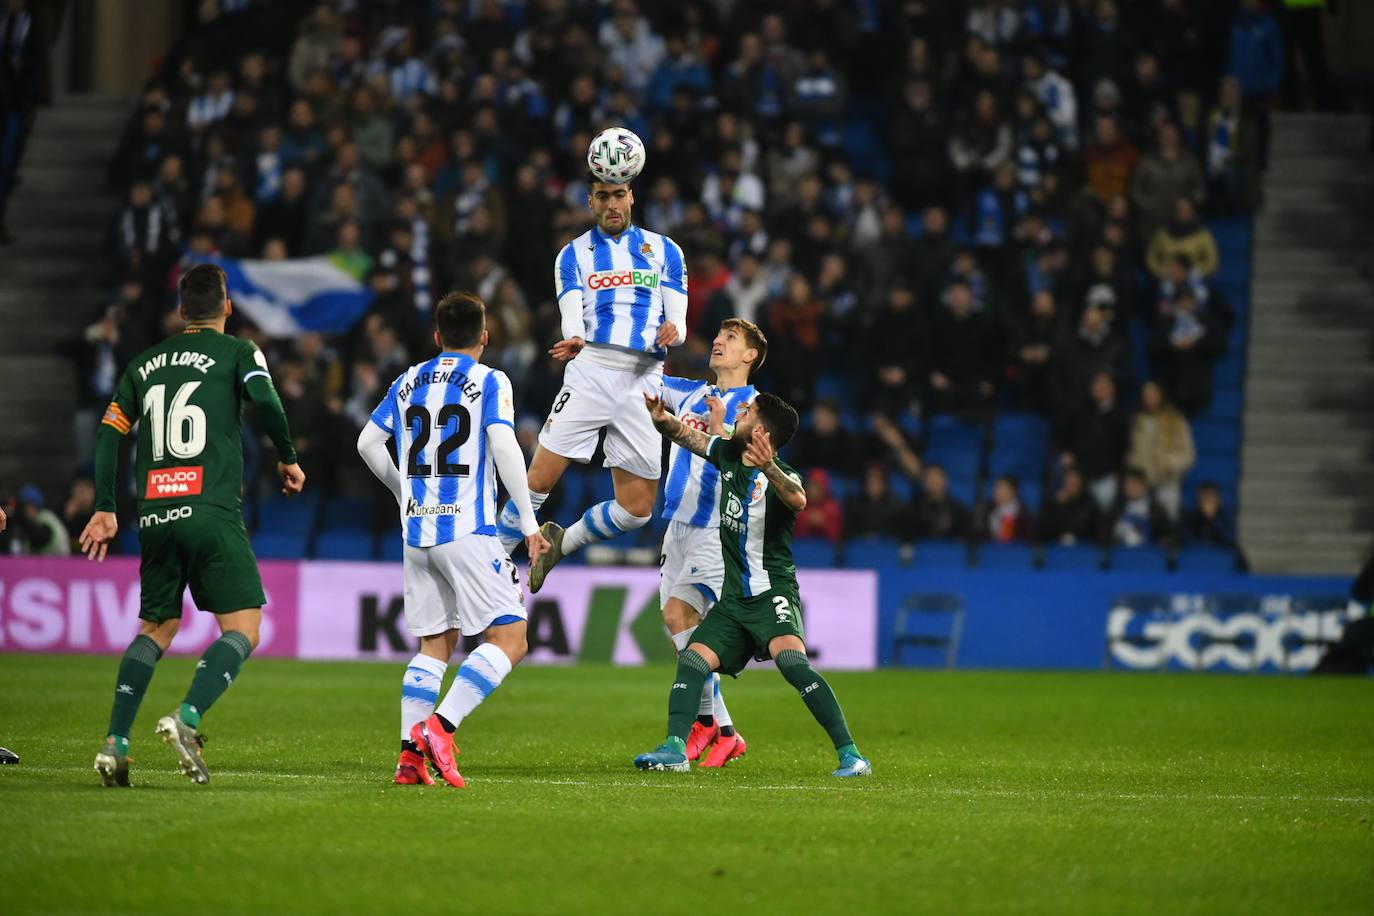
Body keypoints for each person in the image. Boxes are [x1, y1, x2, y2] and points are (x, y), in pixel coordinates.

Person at [79, 264, 306, 787]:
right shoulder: (239, 352)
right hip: (210, 509)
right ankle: (186, 718)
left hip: (155, 512)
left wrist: (107, 506)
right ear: (228, 307)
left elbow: (109, 432)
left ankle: (115, 744)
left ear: (182, 312)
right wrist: (287, 456)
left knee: (155, 628)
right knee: (244, 627)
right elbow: (267, 400)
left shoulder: (144, 363)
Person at [357, 291, 549, 788]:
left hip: (416, 532)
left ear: (438, 337)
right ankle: (438, 730)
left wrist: (404, 491)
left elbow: (367, 443)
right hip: (468, 528)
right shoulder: (490, 380)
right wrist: (528, 524)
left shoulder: (407, 380)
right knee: (510, 639)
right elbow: (504, 444)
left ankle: (408, 759)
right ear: (485, 337)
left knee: (433, 645)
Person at [635, 391, 871, 777]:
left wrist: (770, 467)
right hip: (733, 602)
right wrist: (662, 419)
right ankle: (676, 749)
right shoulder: (729, 454)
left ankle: (852, 755)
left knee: (793, 665)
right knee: (693, 660)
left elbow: (798, 500)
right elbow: (689, 438)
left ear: (760, 429)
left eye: (747, 411)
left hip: (771, 594)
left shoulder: (783, 475)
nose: (739, 412)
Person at [498, 172, 687, 592]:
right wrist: (575, 336)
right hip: (591, 370)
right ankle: (488, 564)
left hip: (644, 379)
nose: (612, 204)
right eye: (603, 196)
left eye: (619, 194)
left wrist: (674, 330)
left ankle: (563, 542)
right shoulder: (572, 255)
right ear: (590, 202)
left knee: (637, 510)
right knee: (538, 480)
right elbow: (570, 312)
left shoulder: (665, 250)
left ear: (632, 196)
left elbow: (680, 321)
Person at [653, 318, 763, 768]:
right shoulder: (691, 394)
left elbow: (748, 468)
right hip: (677, 523)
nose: (718, 342)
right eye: (718, 336)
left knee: (681, 614)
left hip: (717, 527)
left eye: (731, 339)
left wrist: (721, 430)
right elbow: (641, 381)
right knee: (674, 623)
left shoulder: (755, 407)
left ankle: (700, 729)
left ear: (750, 356)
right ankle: (725, 730)